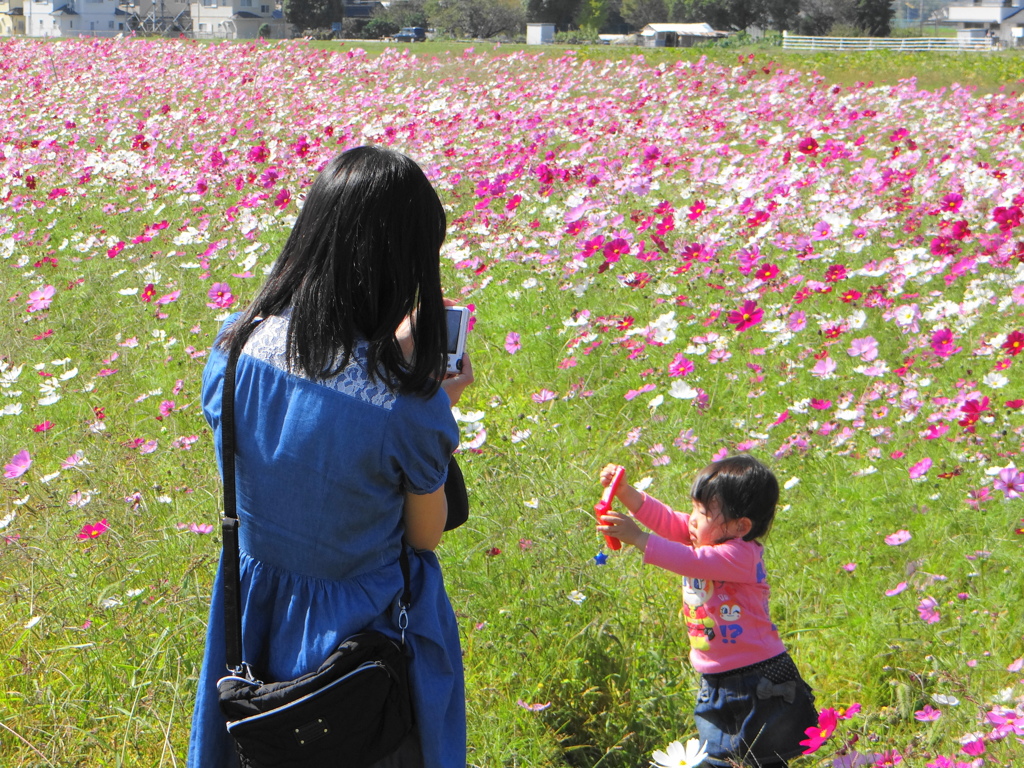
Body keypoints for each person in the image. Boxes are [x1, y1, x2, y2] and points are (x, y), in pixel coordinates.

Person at [187, 146, 473, 768]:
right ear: (405, 267)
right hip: (358, 634)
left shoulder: (235, 350)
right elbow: (424, 538)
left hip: (253, 606)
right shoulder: (405, 408)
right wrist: (435, 400)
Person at [596, 454, 817, 767]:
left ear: (741, 526)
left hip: (756, 678)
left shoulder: (739, 555)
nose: (692, 519)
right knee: (735, 757)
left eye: (703, 511)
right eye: (694, 507)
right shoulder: (710, 536)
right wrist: (626, 493)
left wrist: (637, 538)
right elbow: (669, 520)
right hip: (717, 677)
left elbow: (691, 562)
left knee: (753, 758)